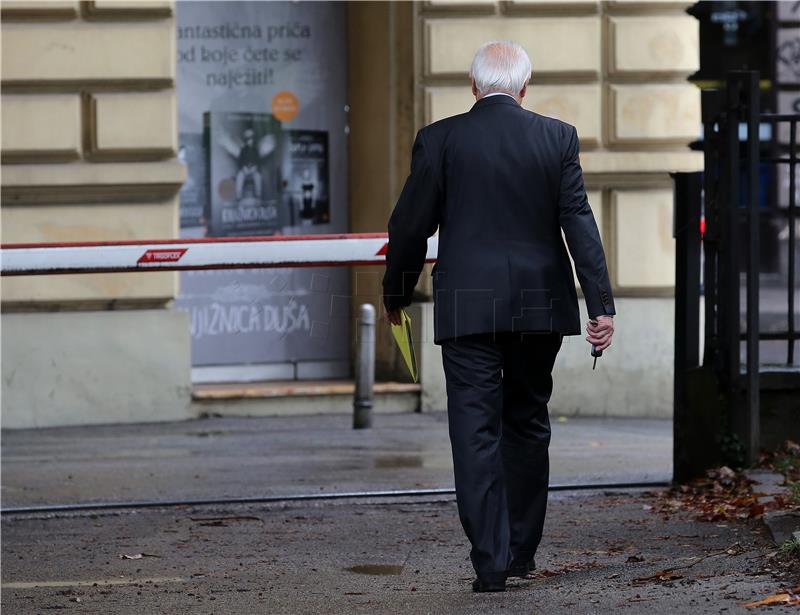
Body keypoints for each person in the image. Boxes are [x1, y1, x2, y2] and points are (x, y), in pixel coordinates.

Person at [382, 40, 616, 593]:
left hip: (467, 305)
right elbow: (578, 222)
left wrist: (398, 291)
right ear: (524, 87)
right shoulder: (557, 137)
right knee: (528, 422)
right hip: (540, 305)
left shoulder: (439, 140)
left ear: (473, 87)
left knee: (475, 429)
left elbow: (410, 227)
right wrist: (601, 305)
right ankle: (520, 553)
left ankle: (489, 561)